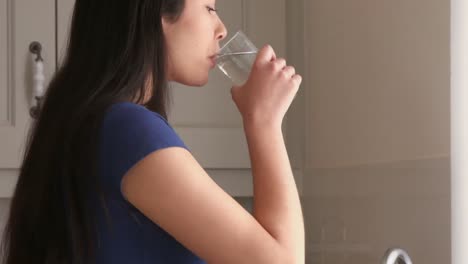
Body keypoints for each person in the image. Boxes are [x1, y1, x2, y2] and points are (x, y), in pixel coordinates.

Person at [1, 0, 304, 263]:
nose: (221, 29)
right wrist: (263, 120)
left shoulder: (91, 120)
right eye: (209, 9)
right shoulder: (128, 131)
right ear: (157, 13)